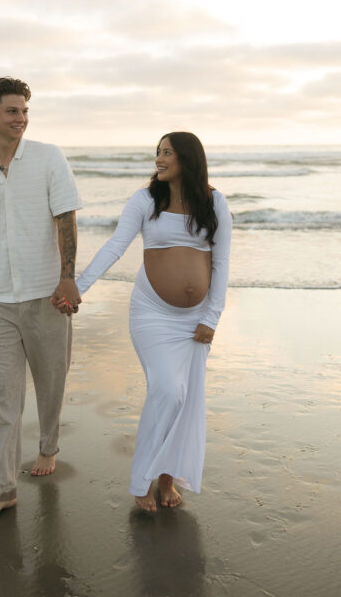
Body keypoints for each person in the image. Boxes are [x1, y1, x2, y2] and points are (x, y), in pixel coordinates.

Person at [56, 132, 231, 512]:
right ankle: (141, 482)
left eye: (167, 152)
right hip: (152, 313)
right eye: (158, 152)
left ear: (188, 158)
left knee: (186, 400)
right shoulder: (146, 200)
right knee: (168, 391)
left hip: (196, 320)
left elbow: (221, 264)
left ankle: (166, 480)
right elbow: (116, 245)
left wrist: (212, 318)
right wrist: (79, 286)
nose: (159, 159)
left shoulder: (214, 202)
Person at [0, 77, 82, 526]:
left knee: (52, 382)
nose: (21, 118)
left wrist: (67, 279)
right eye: (12, 111)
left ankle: (47, 446)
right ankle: (3, 489)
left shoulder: (48, 158)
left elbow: (66, 219)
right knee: (2, 395)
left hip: (47, 296)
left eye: (24, 110)